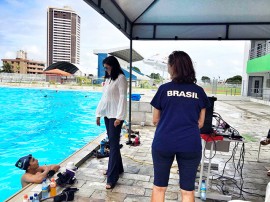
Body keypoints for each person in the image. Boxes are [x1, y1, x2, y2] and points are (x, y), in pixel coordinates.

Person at [150, 51, 210, 202]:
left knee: (159, 187)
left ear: (172, 67)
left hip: (164, 142)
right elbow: (201, 123)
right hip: (190, 144)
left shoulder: (163, 89)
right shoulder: (199, 91)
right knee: (187, 190)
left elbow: (155, 120)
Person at [96, 55, 127, 189]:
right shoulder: (108, 79)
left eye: (107, 67)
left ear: (113, 66)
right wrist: (98, 114)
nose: (105, 69)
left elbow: (122, 98)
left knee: (113, 146)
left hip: (116, 116)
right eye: (104, 67)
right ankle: (118, 169)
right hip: (107, 115)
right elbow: (104, 98)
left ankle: (112, 177)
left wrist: (119, 117)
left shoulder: (121, 78)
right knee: (113, 143)